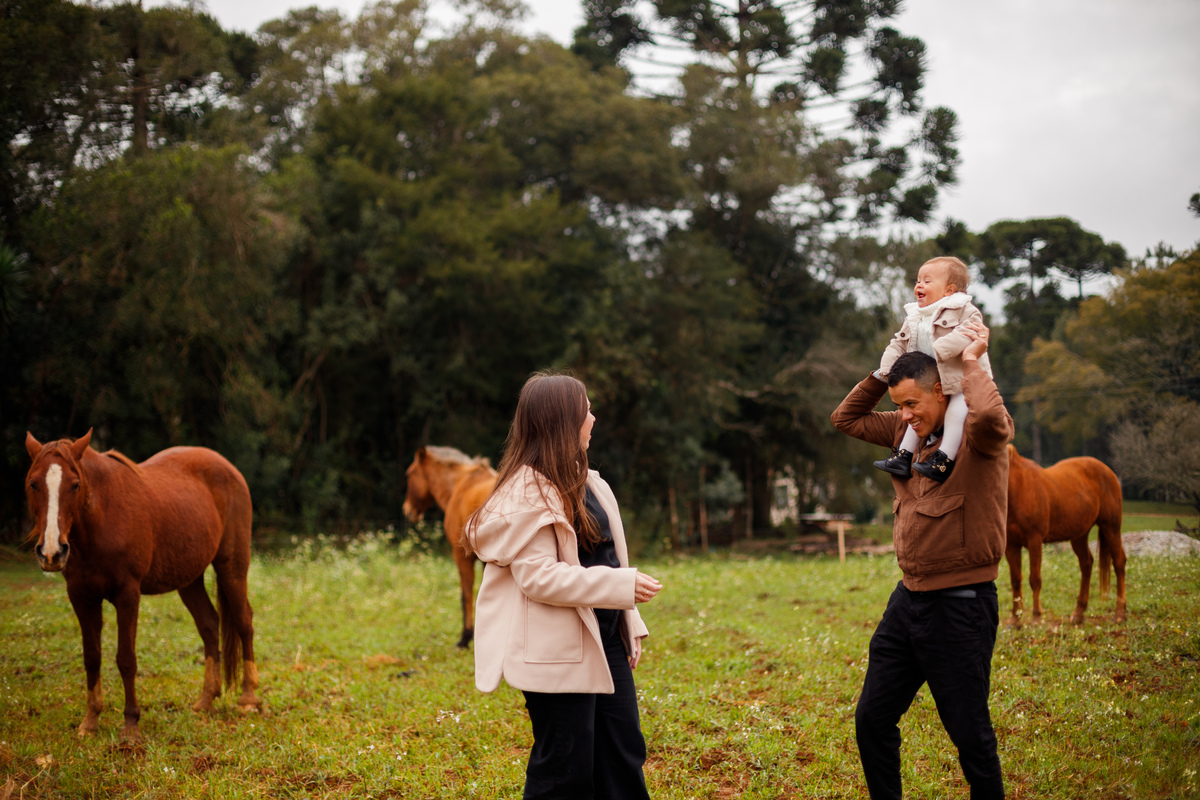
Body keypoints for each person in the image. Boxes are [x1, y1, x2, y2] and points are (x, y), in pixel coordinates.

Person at [831, 320, 1012, 800]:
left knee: (969, 734)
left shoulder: (975, 433)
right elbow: (845, 419)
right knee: (872, 718)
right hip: (908, 601)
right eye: (899, 406)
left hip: (960, 606)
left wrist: (970, 366)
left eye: (913, 403)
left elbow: (998, 422)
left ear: (942, 391)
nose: (906, 415)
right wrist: (885, 369)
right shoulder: (905, 430)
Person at [464, 372, 663, 800]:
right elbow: (538, 578)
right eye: (586, 409)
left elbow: (610, 559)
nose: (593, 416)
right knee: (564, 772)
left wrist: (630, 624)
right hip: (555, 652)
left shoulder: (593, 484)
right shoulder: (526, 495)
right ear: (563, 421)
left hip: (604, 643)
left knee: (623, 755)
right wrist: (620, 586)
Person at [874, 256, 994, 482]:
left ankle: (944, 460)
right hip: (933, 382)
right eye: (918, 280)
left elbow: (969, 333)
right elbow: (898, 342)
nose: (919, 285)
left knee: (956, 414)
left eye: (927, 281)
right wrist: (887, 368)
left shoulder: (963, 310)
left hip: (961, 380)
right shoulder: (915, 317)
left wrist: (941, 349)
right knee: (913, 414)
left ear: (949, 290)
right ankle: (903, 456)